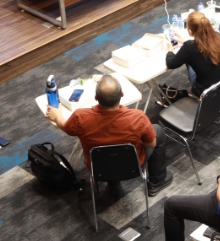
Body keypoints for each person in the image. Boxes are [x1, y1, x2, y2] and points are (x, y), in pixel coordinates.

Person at [44, 75, 172, 195]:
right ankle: (156, 181)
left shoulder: (80, 117)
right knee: (158, 131)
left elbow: (67, 128)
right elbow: (151, 144)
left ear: (96, 98)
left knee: (103, 145)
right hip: (132, 165)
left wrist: (58, 117)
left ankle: (112, 181)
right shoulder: (138, 117)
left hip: (98, 167)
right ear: (122, 95)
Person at [165, 11, 220, 97]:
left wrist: (170, 51)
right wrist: (185, 43)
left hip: (207, 91)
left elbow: (171, 64)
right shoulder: (217, 36)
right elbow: (201, 47)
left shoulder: (189, 47)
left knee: (188, 59)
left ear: (190, 31)